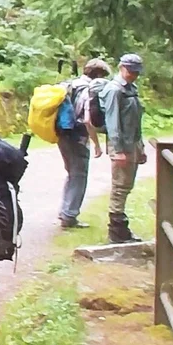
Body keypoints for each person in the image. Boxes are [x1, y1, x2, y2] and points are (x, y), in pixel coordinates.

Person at [56, 58, 111, 230]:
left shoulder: (70, 85)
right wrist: (96, 144)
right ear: (99, 74)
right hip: (77, 137)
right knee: (79, 175)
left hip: (62, 134)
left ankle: (65, 211)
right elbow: (87, 120)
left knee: (72, 173)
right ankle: (69, 216)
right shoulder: (89, 90)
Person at [102, 53, 146, 243]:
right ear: (121, 68)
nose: (133, 75)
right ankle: (117, 230)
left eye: (136, 72)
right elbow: (112, 122)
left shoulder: (131, 89)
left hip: (132, 144)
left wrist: (140, 147)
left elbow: (135, 122)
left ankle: (120, 228)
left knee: (126, 185)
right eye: (130, 71)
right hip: (120, 146)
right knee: (120, 186)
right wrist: (118, 150)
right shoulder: (114, 90)